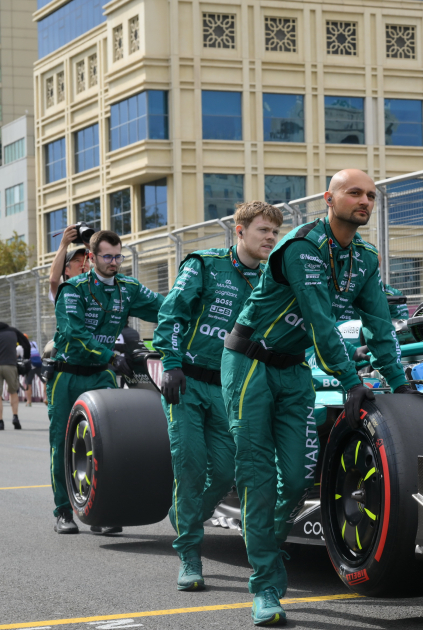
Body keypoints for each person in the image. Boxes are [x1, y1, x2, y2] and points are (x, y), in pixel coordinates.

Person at [221, 168, 414, 626]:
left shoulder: (365, 258)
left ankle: (265, 543)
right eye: (354, 193)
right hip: (248, 362)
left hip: (291, 370)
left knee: (293, 477)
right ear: (329, 199)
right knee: (256, 476)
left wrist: (399, 384)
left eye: (370, 195)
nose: (364, 200)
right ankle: (266, 584)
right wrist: (350, 380)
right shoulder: (303, 247)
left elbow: (380, 327)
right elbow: (321, 324)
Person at [152, 201, 282, 592]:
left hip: (229, 388)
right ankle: (190, 554)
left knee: (226, 472)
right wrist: (171, 363)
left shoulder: (270, 279)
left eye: (275, 232)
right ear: (239, 231)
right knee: (189, 465)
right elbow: (171, 314)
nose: (271, 238)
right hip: (186, 382)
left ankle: (185, 514)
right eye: (263, 230)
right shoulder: (204, 264)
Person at [47, 230, 164, 534]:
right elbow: (74, 333)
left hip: (101, 373)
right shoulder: (73, 290)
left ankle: (103, 512)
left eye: (118, 256)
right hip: (67, 373)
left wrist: (193, 306)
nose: (114, 262)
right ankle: (63, 510)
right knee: (62, 442)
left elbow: (164, 308)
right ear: (92, 257)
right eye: (107, 256)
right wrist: (110, 355)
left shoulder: (128, 288)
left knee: (108, 445)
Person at [0, 322, 29, 430]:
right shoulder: (13, 331)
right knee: (13, 392)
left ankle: (0, 421)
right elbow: (26, 343)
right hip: (10, 365)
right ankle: (15, 417)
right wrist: (26, 358)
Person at [49, 225, 89, 302]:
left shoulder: (97, 287)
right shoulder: (65, 291)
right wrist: (64, 244)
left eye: (86, 260)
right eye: (77, 260)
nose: (83, 264)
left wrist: (89, 241)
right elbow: (54, 280)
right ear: (66, 270)